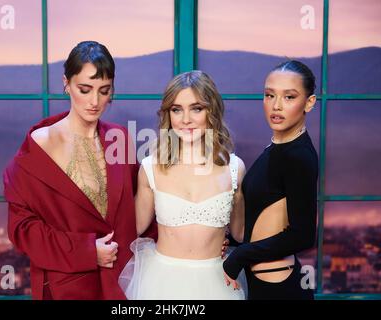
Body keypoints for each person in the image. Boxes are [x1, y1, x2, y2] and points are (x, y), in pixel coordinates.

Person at [3, 41, 140, 300]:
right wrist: (87, 251)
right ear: (66, 83)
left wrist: (197, 238)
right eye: (84, 89)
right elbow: (23, 229)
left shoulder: (119, 137)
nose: (95, 101)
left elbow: (139, 206)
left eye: (104, 90)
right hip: (67, 286)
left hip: (121, 283)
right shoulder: (40, 147)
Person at [119, 70, 246, 300]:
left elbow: (241, 233)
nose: (185, 119)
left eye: (196, 108)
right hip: (160, 284)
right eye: (177, 109)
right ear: (168, 115)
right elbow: (133, 227)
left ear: (212, 111)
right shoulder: (151, 168)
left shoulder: (234, 168)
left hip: (218, 281)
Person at [223, 60, 318, 300]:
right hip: (263, 281)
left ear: (309, 103)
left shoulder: (298, 155)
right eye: (269, 95)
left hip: (278, 288)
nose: (276, 106)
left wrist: (240, 255)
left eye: (289, 97)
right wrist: (231, 241)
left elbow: (303, 234)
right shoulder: (278, 146)